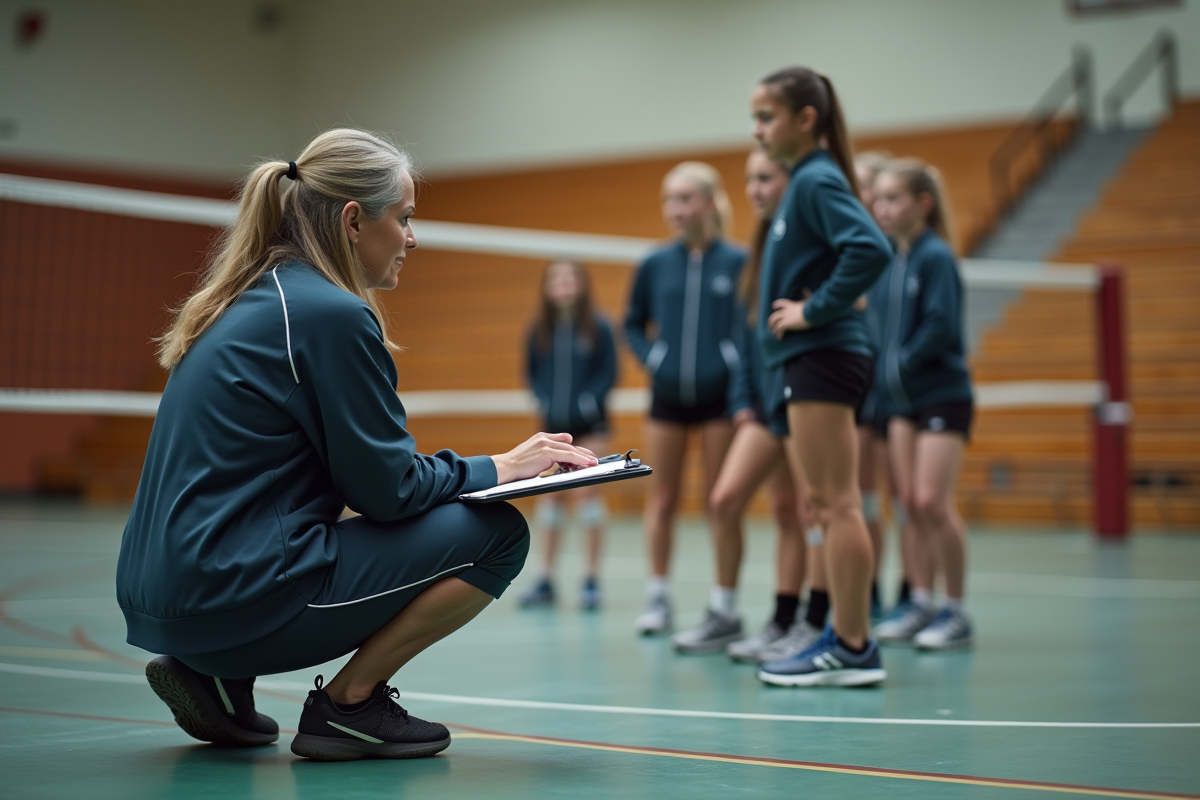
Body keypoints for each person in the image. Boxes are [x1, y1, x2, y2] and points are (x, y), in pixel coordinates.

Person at [116, 129, 597, 761]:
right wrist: (499, 468)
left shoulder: (238, 298)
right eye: (404, 218)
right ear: (352, 220)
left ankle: (214, 676)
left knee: (304, 508)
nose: (412, 238)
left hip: (160, 599)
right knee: (498, 534)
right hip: (229, 596)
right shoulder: (330, 313)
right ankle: (349, 706)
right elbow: (387, 492)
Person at [749, 67, 893, 687]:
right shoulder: (804, 182)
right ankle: (847, 639)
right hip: (811, 362)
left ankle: (852, 645)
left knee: (837, 504)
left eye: (766, 117)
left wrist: (813, 311)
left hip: (824, 357)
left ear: (806, 119)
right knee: (827, 504)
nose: (757, 130)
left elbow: (872, 248)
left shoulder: (815, 178)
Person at [671, 149, 824, 662]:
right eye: (750, 180)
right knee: (725, 499)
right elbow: (746, 337)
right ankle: (727, 612)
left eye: (766, 178)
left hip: (804, 396)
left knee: (804, 511)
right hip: (763, 404)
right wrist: (742, 400)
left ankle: (803, 620)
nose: (755, 188)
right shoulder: (761, 248)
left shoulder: (808, 241)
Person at [624, 161, 744, 636]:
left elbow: (748, 326)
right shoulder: (655, 263)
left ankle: (724, 605)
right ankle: (658, 598)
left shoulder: (738, 262)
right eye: (669, 199)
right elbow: (632, 322)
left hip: (721, 399)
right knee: (663, 498)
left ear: (710, 203)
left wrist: (731, 360)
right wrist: (654, 359)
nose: (675, 208)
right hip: (667, 397)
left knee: (721, 501)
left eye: (685, 198)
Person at [868, 158, 975, 650]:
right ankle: (921, 602)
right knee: (909, 504)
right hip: (899, 402)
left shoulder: (935, 257)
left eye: (893, 198)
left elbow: (942, 325)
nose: (882, 208)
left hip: (940, 395)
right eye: (879, 199)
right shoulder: (890, 259)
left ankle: (956, 610)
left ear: (923, 203)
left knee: (932, 501)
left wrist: (902, 362)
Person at [519, 260, 618, 610]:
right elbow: (532, 373)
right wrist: (545, 401)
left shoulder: (599, 327)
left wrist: (587, 403)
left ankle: (591, 580)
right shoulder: (539, 330)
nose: (563, 285)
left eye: (570, 278)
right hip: (553, 428)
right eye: (556, 279)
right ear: (547, 288)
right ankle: (545, 578)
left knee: (587, 497)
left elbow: (609, 373)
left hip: (591, 427)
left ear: (581, 285)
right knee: (550, 499)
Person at [853, 151, 895, 620]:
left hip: (889, 393)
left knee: (893, 497)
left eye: (867, 185)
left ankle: (897, 588)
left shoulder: (895, 253)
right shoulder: (845, 243)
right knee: (855, 498)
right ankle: (864, 589)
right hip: (851, 386)